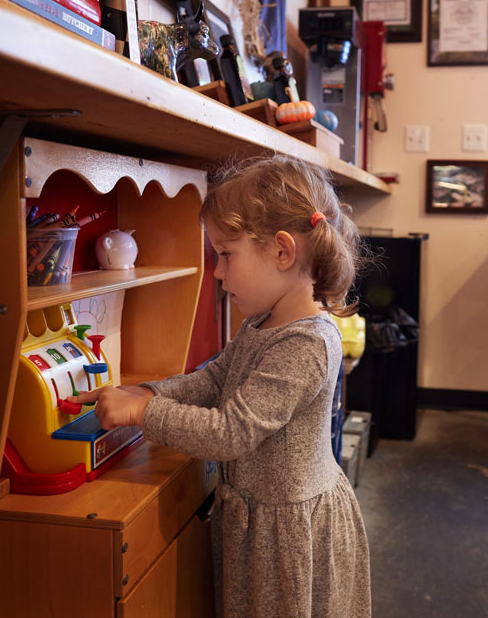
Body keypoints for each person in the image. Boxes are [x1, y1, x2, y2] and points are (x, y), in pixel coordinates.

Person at [70, 154, 372, 617]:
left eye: (225, 255)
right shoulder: (263, 322)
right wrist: (150, 392)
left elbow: (232, 433)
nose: (216, 272)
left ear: (282, 251)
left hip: (285, 534)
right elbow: (216, 377)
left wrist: (141, 414)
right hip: (259, 521)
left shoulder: (306, 344)